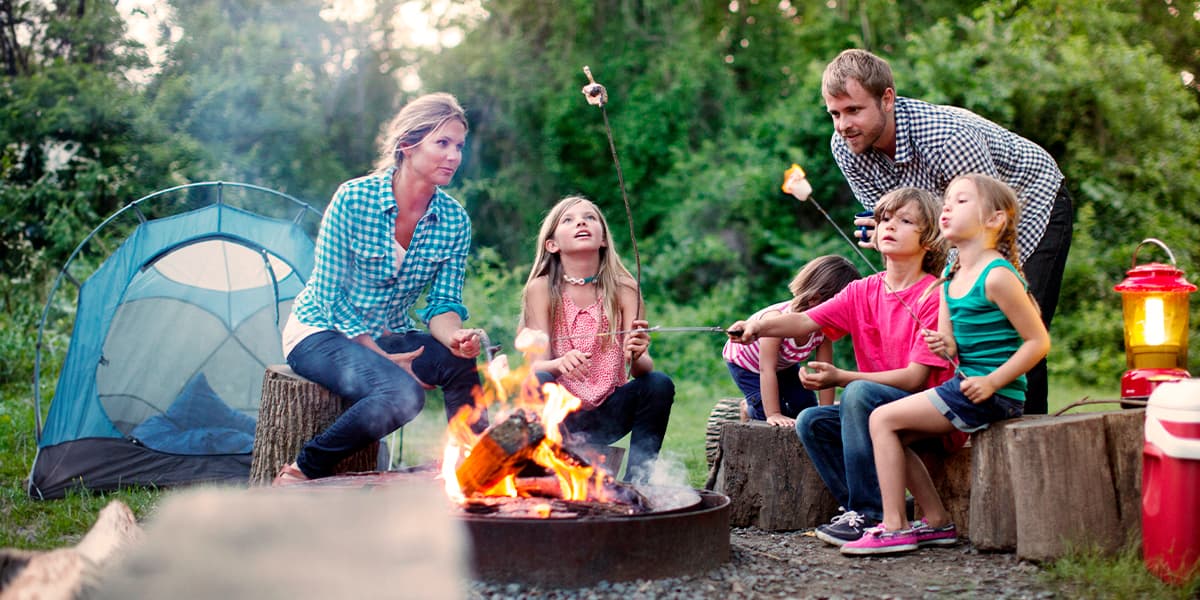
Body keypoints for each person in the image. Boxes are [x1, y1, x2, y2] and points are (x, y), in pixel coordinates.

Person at [821, 48, 1072, 415]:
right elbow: (895, 223)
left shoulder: (947, 138)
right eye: (835, 114)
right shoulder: (845, 148)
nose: (843, 125)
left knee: (1011, 331)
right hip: (956, 221)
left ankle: (1026, 436)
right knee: (950, 328)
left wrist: (944, 288)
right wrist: (886, 237)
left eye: (854, 110)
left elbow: (981, 225)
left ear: (887, 98)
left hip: (1027, 200)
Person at [273, 92, 487, 484]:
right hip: (321, 331)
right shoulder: (354, 199)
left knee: (458, 362)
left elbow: (442, 303)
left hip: (388, 335)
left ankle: (475, 469)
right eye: (442, 143)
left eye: (458, 145)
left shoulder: (454, 220)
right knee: (402, 395)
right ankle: (302, 471)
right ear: (407, 145)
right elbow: (327, 292)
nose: (454, 156)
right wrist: (378, 354)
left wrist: (455, 335)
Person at [728, 186, 954, 546]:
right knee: (812, 421)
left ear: (928, 238)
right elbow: (804, 322)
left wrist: (843, 378)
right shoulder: (862, 290)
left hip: (924, 410)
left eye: (905, 221)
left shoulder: (932, 294)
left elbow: (915, 379)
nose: (890, 226)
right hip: (878, 409)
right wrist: (758, 327)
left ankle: (871, 515)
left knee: (859, 393)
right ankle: (861, 508)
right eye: (884, 219)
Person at [841, 174, 1050, 555]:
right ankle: (936, 522)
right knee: (893, 430)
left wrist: (992, 382)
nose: (948, 207)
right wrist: (945, 345)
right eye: (947, 201)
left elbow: (1038, 342)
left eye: (962, 201)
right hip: (967, 387)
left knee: (882, 419)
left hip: (996, 393)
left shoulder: (998, 275)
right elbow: (953, 347)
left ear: (995, 220)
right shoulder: (950, 279)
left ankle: (893, 526)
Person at [519, 195, 675, 484]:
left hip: (609, 413)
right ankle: (547, 471)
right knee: (538, 380)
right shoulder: (541, 289)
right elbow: (537, 367)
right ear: (552, 244)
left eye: (590, 217)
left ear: (603, 239)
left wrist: (638, 354)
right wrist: (560, 362)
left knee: (658, 383)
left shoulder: (626, 289)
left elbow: (640, 369)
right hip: (561, 414)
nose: (581, 222)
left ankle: (638, 481)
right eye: (568, 219)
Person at [721, 255, 860, 426]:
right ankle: (747, 408)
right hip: (749, 365)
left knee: (806, 406)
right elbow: (766, 369)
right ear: (815, 299)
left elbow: (825, 372)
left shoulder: (824, 327)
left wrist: (826, 411)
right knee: (767, 417)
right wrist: (774, 413)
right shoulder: (778, 321)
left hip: (784, 364)